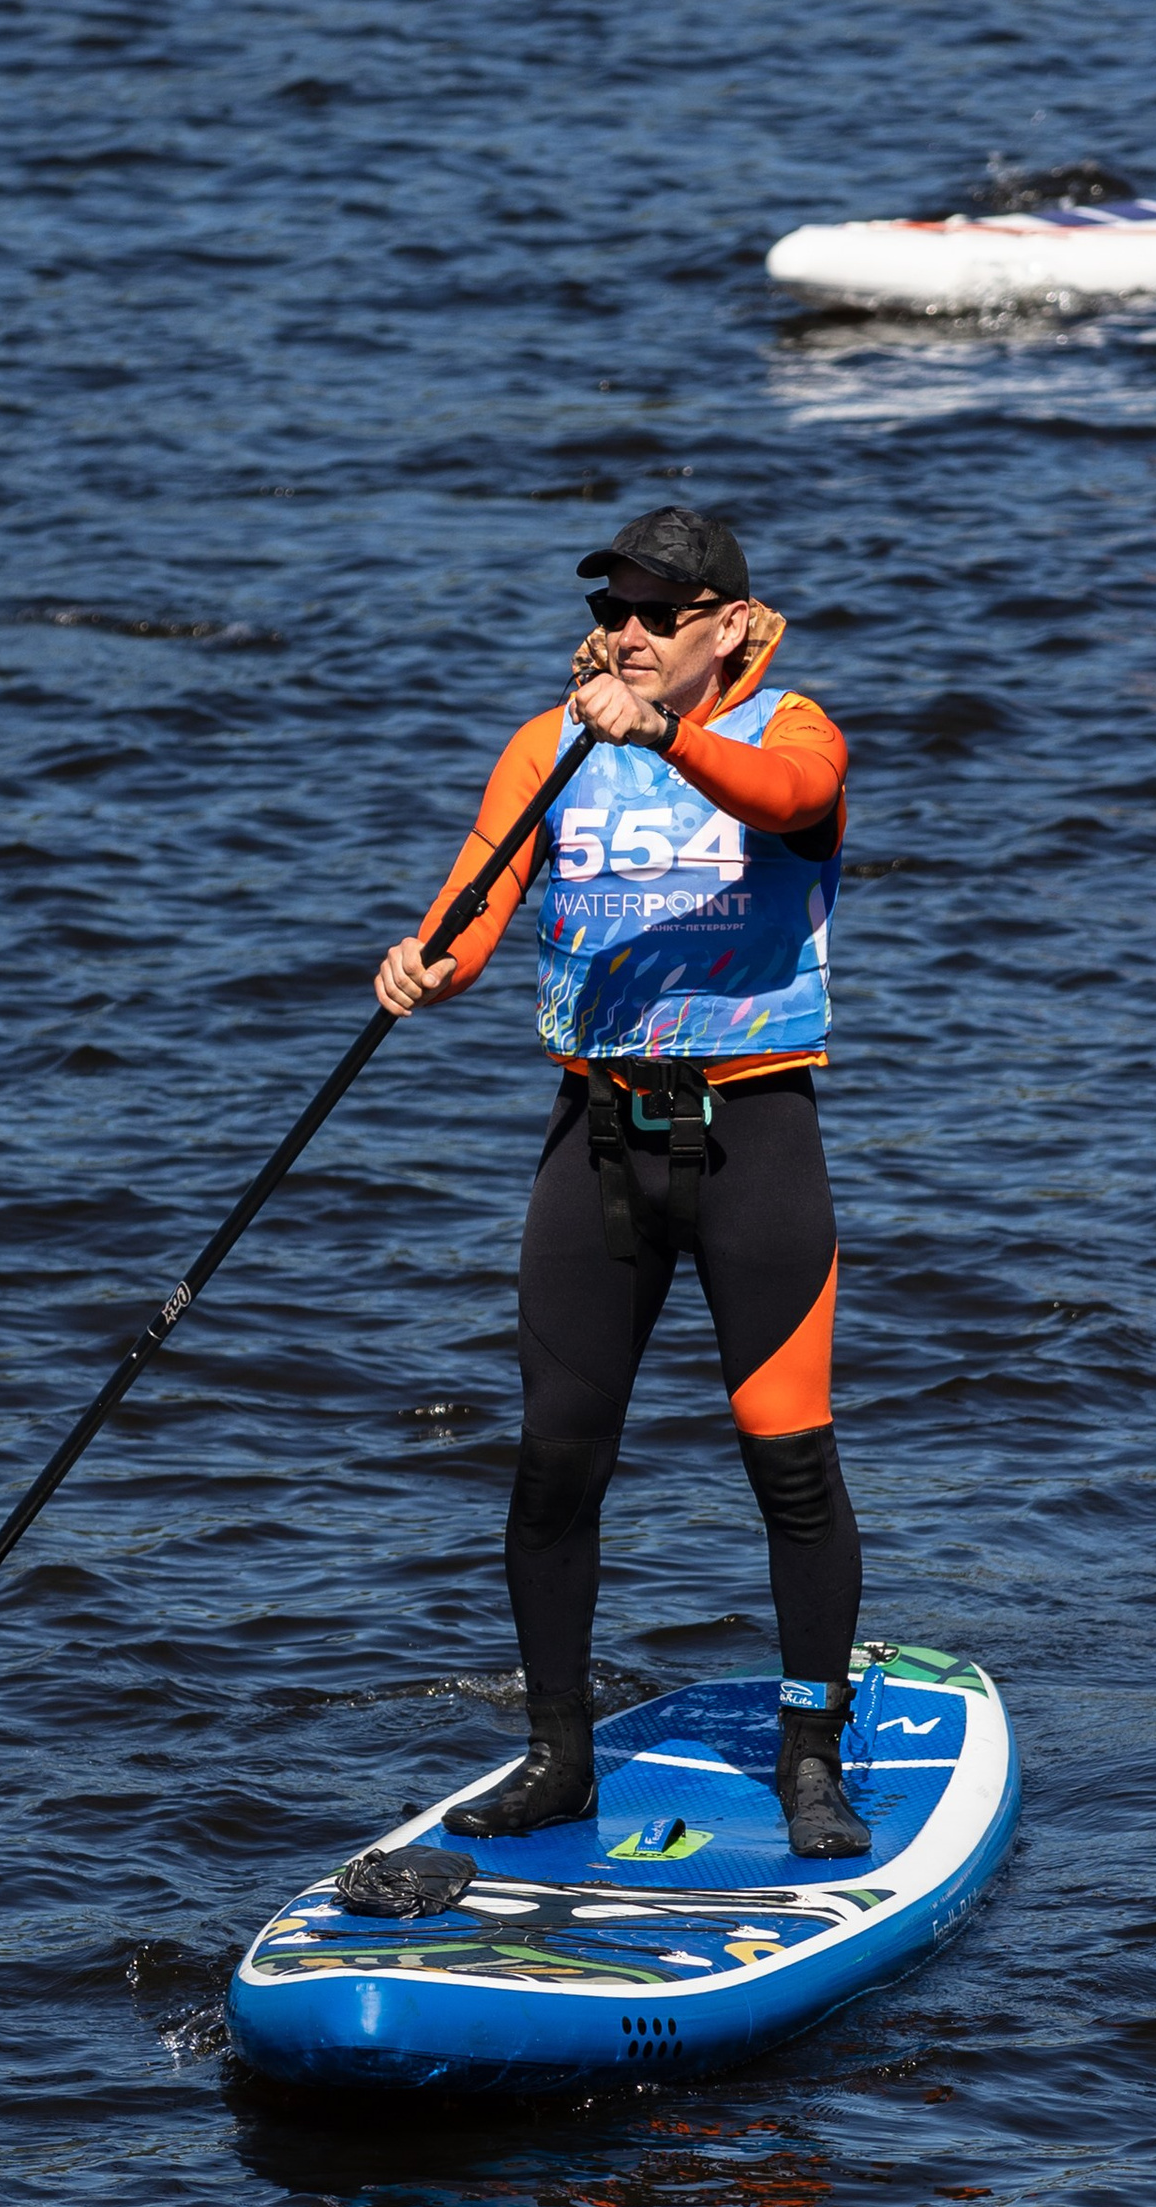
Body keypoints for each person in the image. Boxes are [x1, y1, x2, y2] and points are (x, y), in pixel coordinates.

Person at [372, 507, 870, 1861]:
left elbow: (796, 805)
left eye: (661, 611)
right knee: (553, 1465)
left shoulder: (790, 730)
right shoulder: (551, 746)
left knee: (790, 1465)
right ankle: (558, 1760)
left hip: (754, 1140)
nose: (630, 631)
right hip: (593, 1145)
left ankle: (810, 1757)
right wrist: (424, 966)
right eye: (614, 609)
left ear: (730, 625)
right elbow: (473, 912)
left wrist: (664, 737)